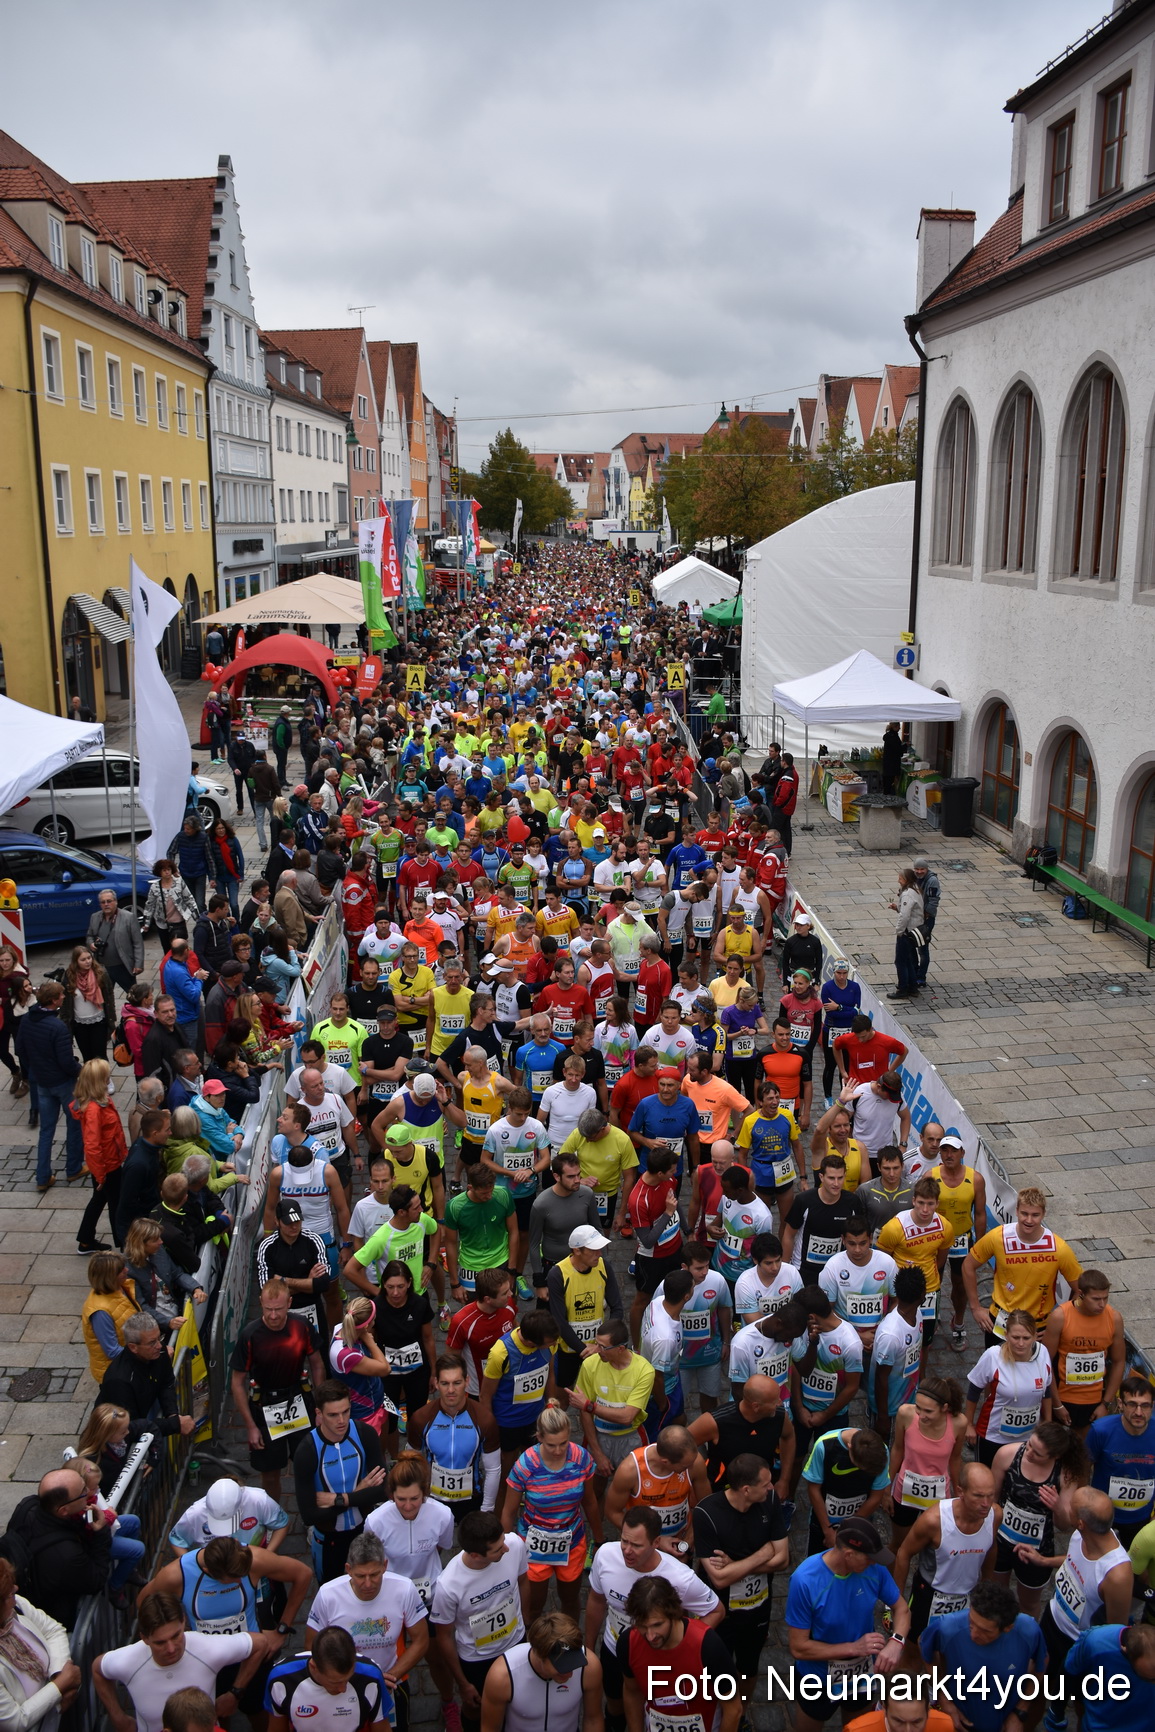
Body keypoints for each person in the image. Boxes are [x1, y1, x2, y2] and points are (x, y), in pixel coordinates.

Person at [584, 1507, 722, 1732]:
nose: (627, 1551)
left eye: (637, 1545)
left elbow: (716, 1610)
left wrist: (681, 1646)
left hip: (659, 1659)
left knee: (656, 1709)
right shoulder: (606, 1555)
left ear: (656, 1542)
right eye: (624, 1541)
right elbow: (597, 1601)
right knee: (615, 1706)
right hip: (614, 1648)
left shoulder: (680, 1577)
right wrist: (589, 1649)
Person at [783, 1517, 909, 1732]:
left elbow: (902, 1608)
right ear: (849, 1554)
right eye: (869, 1559)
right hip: (817, 1677)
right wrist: (854, 1648)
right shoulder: (805, 1580)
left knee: (858, 1728)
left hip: (862, 1674)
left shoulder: (874, 1569)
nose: (873, 1563)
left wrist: (896, 1642)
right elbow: (799, 1647)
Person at [93, 1592, 277, 1732]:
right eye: (160, 1643)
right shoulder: (128, 1661)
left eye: (176, 1636)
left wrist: (235, 1693)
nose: (171, 1648)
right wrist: (118, 1717)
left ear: (183, 1622)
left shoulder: (206, 1648)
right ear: (144, 1638)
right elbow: (97, 1669)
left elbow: (260, 1643)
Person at [305, 1532, 428, 1732]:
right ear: (348, 1569)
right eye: (360, 1576)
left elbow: (421, 1640)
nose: (368, 1584)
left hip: (389, 1683)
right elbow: (311, 1646)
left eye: (375, 1575)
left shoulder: (404, 1589)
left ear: (385, 1566)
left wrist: (391, 1676)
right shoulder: (328, 1595)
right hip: (343, 1685)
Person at [1034, 1488, 1132, 1732]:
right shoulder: (1081, 1536)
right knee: (1036, 1685)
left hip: (1078, 1644)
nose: (1065, 1506)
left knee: (1082, 1703)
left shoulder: (1116, 1574)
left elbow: (1115, 1630)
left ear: (1080, 1523)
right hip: (1053, 1621)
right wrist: (1044, 1561)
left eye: (1070, 1507)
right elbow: (1072, 1560)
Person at [692, 1452, 789, 1693]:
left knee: (748, 1668)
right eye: (765, 1484)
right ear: (746, 1490)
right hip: (719, 1610)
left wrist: (734, 1565)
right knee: (715, 1671)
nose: (771, 1488)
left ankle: (741, 1712)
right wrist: (763, 1554)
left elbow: (782, 1559)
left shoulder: (770, 1500)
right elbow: (719, 1579)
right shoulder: (706, 1513)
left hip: (758, 1607)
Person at [429, 1511, 530, 1732]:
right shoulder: (448, 1585)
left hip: (516, 1643)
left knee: (518, 1699)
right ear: (475, 1555)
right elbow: (444, 1636)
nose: (505, 1549)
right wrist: (463, 1684)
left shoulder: (514, 1544)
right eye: (497, 1549)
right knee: (476, 1708)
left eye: (503, 1541)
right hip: (478, 1659)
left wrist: (528, 1623)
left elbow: (523, 1581)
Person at [500, 1401, 601, 1619]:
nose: (558, 1451)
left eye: (563, 1444)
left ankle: (570, 1637)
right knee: (534, 1606)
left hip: (572, 1539)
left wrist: (599, 1539)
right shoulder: (525, 1465)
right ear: (539, 1438)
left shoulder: (581, 1458)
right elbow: (508, 1511)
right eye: (551, 1445)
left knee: (570, 1600)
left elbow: (590, 1501)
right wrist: (504, 1549)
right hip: (533, 1543)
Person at [229, 1277, 325, 1501]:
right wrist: (251, 1426)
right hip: (265, 1408)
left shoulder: (302, 1326)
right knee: (270, 1474)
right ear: (260, 1303)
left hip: (298, 1400)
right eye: (268, 1309)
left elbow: (317, 1365)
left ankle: (312, 1510)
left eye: (279, 1309)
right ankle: (273, 1515)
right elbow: (237, 1383)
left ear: (289, 1303)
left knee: (309, 1464)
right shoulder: (250, 1335)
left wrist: (320, 1408)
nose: (273, 1316)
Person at [989, 1420, 1088, 1620]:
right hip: (1001, 1540)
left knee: (1029, 1604)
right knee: (997, 1596)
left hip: (1036, 1549)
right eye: (1029, 1444)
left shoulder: (1065, 1474)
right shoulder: (1007, 1454)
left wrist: (1057, 1506)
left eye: (1037, 1453)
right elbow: (992, 1501)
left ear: (1055, 1456)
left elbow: (1064, 1525)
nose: (1029, 1452)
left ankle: (1027, 1634)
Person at [616, 1574, 741, 1732]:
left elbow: (733, 1709)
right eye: (642, 1626)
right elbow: (632, 1691)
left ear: (673, 1614)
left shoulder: (708, 1646)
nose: (650, 1636)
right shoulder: (628, 1643)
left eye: (657, 1625)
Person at [919, 1580, 1048, 1732]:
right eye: (971, 1622)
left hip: (1006, 1722)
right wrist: (944, 1698)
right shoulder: (948, 1627)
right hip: (962, 1722)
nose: (973, 1634)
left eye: (985, 1631)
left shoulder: (1029, 1631)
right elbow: (923, 1643)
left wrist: (1020, 1711)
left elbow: (1042, 1661)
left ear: (1007, 1628)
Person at [891, 1462, 1000, 1641]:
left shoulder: (995, 1515)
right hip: (929, 1596)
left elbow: (991, 1547)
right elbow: (904, 1553)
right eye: (978, 1496)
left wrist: (987, 1586)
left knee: (955, 1647)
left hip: (968, 1595)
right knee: (915, 1649)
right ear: (960, 1491)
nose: (986, 1504)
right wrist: (898, 1603)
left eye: (990, 1495)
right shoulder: (934, 1521)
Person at [963, 1188, 1082, 1347]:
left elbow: (1081, 1290)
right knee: (996, 1364)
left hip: (1038, 1327)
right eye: (1024, 1214)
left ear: (1043, 1214)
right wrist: (975, 1308)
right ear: (1017, 1211)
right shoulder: (998, 1237)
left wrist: (1060, 1323)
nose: (1029, 1220)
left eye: (1035, 1215)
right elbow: (968, 1265)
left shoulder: (1059, 1248)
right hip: (1001, 1322)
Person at [140, 1532, 310, 1641]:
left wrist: (282, 1629)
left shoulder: (254, 1559)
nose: (240, 1582)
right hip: (206, 1659)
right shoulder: (176, 1575)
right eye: (232, 1579)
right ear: (209, 1572)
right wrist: (175, 1630)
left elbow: (303, 1574)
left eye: (243, 1576)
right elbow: (142, 1602)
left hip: (251, 1653)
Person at [2, 1468, 112, 1631]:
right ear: (63, 1510)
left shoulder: (27, 1505)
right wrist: (101, 1532)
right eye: (83, 1492)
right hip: (57, 1619)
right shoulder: (67, 1555)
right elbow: (97, 1580)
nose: (88, 1492)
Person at [479, 1611, 603, 1732]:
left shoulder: (589, 1666)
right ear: (539, 1654)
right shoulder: (503, 1675)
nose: (570, 1674)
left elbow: (593, 1720)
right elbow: (490, 1728)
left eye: (574, 1663)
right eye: (562, 1667)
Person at [0, 1552, 81, 1731]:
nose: (16, 1589)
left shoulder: (16, 1606)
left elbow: (53, 1630)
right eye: (9, 1593)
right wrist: (59, 1687)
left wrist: (58, 1673)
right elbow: (15, 1721)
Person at [965, 1310, 1055, 1466]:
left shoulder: (1043, 1354)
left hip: (1028, 1438)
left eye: (1026, 1338)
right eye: (1015, 1337)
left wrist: (1047, 1421)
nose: (1021, 1343)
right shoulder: (993, 1356)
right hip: (993, 1436)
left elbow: (1046, 1390)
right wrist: (968, 1425)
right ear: (1006, 1335)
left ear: (1035, 1336)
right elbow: (974, 1390)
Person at [16, 983, 83, 1193]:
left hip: (42, 1082)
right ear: (53, 1001)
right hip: (63, 1083)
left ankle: (43, 1177)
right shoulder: (58, 1027)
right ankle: (73, 1168)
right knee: (75, 1123)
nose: (63, 997)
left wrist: (34, 1068)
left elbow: (20, 1050)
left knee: (46, 1130)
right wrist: (81, 1071)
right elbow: (66, 1062)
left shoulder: (27, 1019)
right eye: (61, 995)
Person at [604, 1425, 709, 1556]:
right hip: (644, 1546)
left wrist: (687, 1542)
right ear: (665, 1462)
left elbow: (706, 1505)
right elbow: (612, 1512)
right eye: (685, 1466)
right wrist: (655, 1540)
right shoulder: (630, 1470)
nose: (691, 1467)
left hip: (680, 1541)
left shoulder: (693, 1461)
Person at [1043, 1269, 1126, 1433]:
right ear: (1081, 1294)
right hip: (1063, 1397)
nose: (1102, 1304)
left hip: (1095, 1401)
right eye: (1096, 1299)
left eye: (1105, 1298)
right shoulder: (1060, 1317)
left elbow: (1119, 1361)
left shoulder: (1114, 1318)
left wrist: (1106, 1404)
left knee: (1085, 1447)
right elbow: (1045, 1362)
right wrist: (1056, 1404)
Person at [265, 1627, 392, 1732]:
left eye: (348, 1679)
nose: (343, 1689)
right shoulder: (281, 1679)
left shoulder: (371, 1676)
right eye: (335, 1682)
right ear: (314, 1667)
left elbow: (383, 1729)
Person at [98, 1311, 196, 1441]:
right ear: (133, 1347)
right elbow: (129, 1428)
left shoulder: (158, 1351)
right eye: (152, 1343)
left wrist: (172, 1414)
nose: (159, 1346)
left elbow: (166, 1382)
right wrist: (174, 1425)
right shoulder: (119, 1381)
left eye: (159, 1338)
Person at [889, 1377, 967, 1535]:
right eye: (918, 1407)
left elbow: (955, 1458)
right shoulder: (905, 1414)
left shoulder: (959, 1423)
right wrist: (886, 1487)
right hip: (905, 1491)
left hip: (938, 1495)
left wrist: (957, 1490)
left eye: (928, 1411)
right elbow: (897, 1449)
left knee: (933, 1542)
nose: (921, 1415)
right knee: (899, 1541)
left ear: (944, 1408)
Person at [1085, 1373, 1155, 1548]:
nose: (1138, 1412)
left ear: (1152, 1406)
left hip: (1142, 1519)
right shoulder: (1100, 1431)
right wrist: (1085, 1506)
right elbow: (1083, 1469)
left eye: (1145, 1406)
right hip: (1103, 1517)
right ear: (1120, 1404)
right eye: (1132, 1404)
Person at [800, 1425, 892, 1556]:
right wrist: (828, 1531)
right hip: (823, 1522)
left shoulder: (882, 1452)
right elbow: (814, 1489)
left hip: (859, 1521)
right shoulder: (824, 1445)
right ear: (850, 1448)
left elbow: (876, 1496)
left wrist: (848, 1528)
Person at [70, 1058, 128, 1254]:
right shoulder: (94, 1109)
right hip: (108, 1166)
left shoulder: (99, 1100)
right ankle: (123, 1243)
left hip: (109, 1162)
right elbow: (92, 1146)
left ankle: (85, 1240)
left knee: (99, 1199)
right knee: (115, 1204)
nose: (109, 1078)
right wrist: (101, 1176)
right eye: (106, 1076)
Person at [867, 1266, 926, 1441]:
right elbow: (881, 1377)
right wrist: (883, 1417)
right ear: (922, 1294)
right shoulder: (891, 1335)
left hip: (910, 1401)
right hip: (891, 1411)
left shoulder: (918, 1314)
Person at [169, 1475, 290, 1557]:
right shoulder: (195, 1514)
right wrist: (195, 1567)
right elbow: (177, 1540)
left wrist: (268, 1555)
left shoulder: (259, 1500)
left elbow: (281, 1524)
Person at [87, 888, 144, 993]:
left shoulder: (129, 917)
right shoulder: (94, 917)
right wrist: (91, 944)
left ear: (116, 902)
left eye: (109, 901)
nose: (106, 904)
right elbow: (89, 936)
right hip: (102, 966)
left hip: (123, 965)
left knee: (133, 994)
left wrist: (138, 964)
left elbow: (138, 943)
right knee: (104, 995)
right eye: (103, 902)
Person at [911, 857, 941, 987]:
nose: (919, 871)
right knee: (911, 946)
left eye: (922, 869)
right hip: (914, 917)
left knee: (923, 949)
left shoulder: (932, 881)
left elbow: (934, 901)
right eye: (917, 869)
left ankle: (921, 977)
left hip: (926, 919)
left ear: (927, 869)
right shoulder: (914, 877)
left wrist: (925, 915)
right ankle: (914, 972)